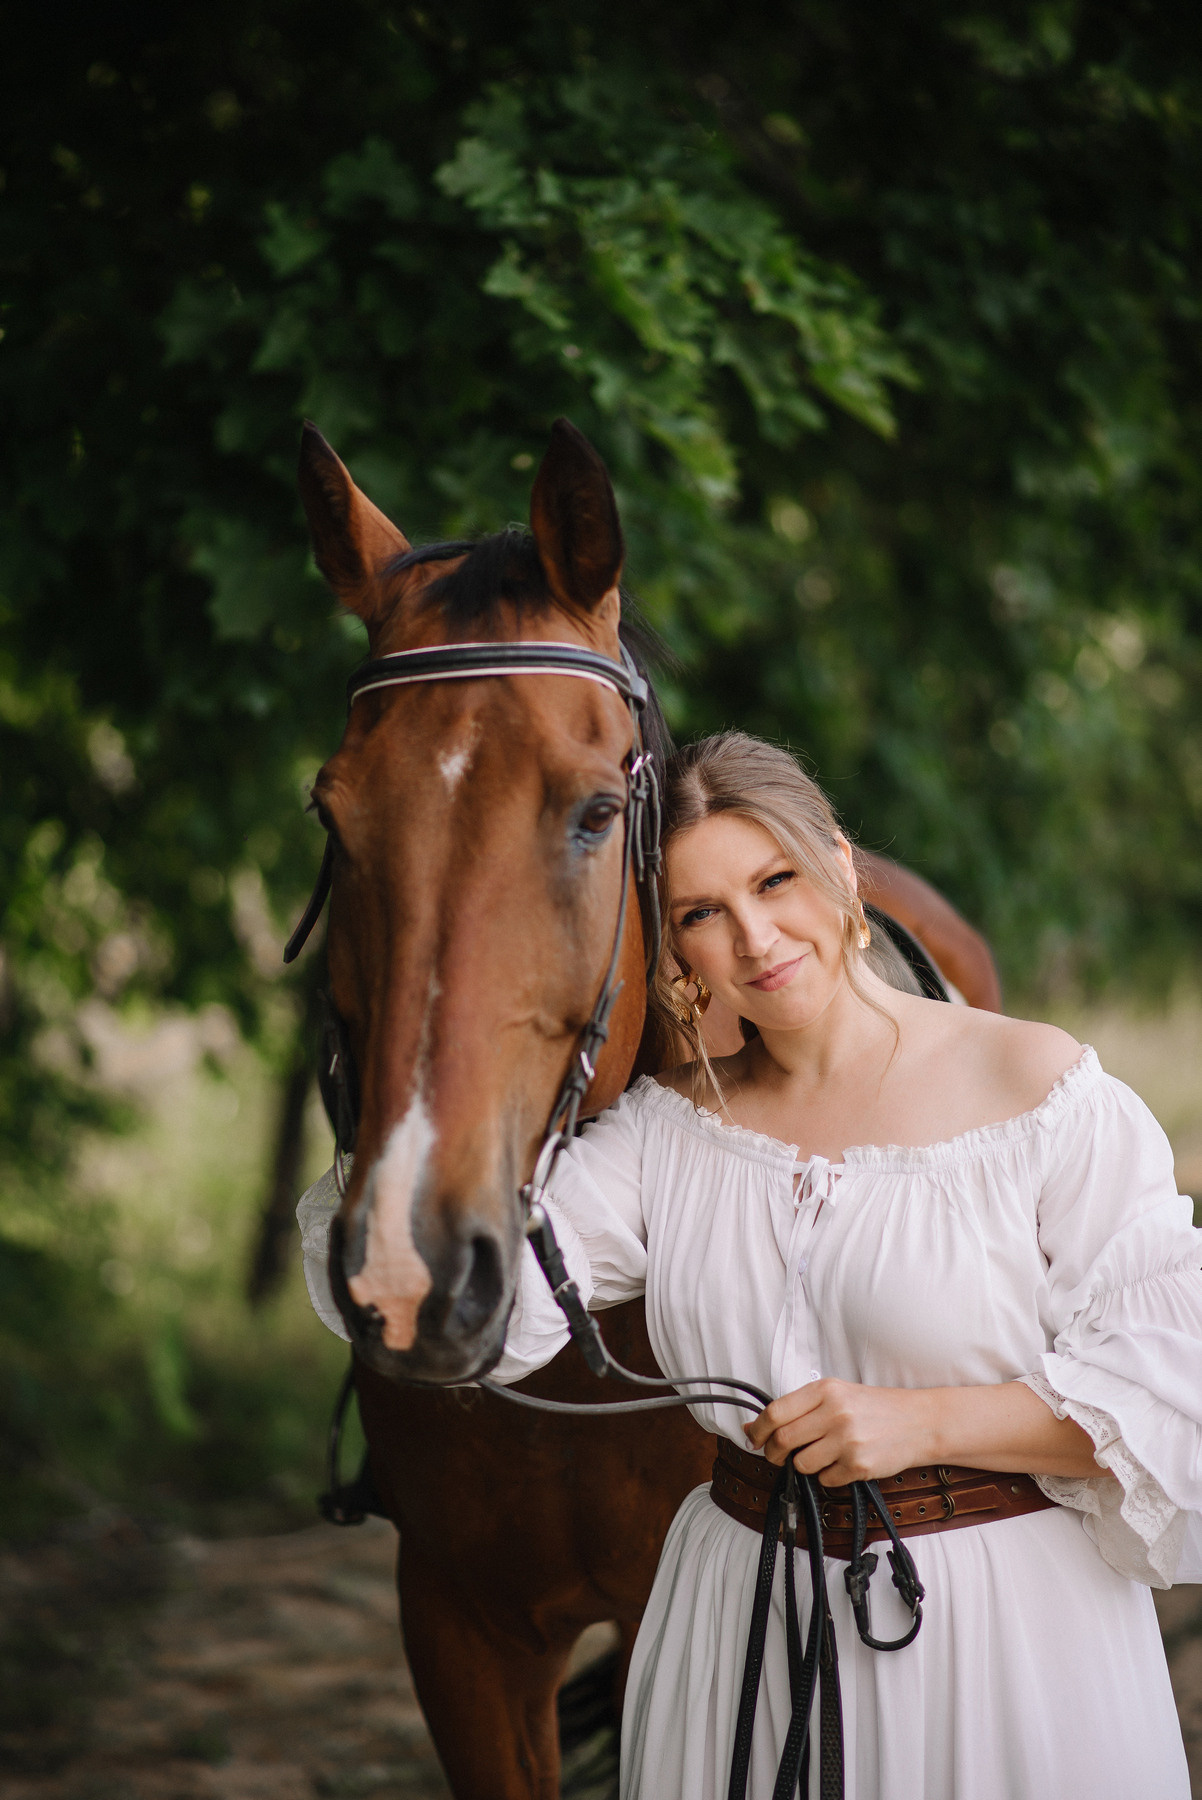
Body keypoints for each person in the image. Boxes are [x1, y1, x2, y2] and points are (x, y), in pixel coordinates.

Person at [491, 730, 1202, 1800]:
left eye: (774, 880)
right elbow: (490, 1311)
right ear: (671, 945)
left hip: (1002, 1631)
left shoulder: (1037, 1089)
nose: (754, 936)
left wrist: (918, 1424)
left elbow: (1168, 1392)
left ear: (835, 862)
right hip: (740, 1613)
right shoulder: (665, 1133)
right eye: (700, 913)